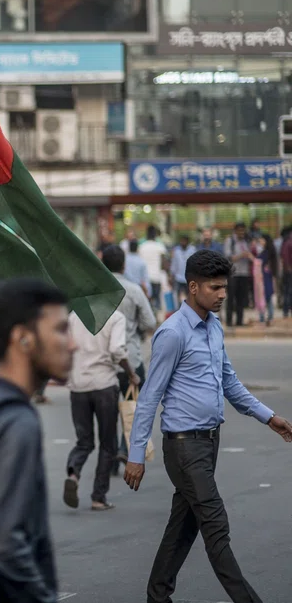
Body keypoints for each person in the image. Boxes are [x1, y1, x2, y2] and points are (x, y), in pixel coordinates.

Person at [125, 250, 292, 603]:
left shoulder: (214, 327)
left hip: (208, 443)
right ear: (193, 286)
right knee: (215, 524)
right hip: (184, 446)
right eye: (215, 288)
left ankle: (158, 594)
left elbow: (229, 383)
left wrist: (269, 417)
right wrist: (135, 454)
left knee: (183, 527)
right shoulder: (172, 333)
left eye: (224, 288)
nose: (222, 295)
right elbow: (150, 397)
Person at [0, 279, 74, 601]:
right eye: (62, 329)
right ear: (23, 339)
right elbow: (3, 543)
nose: (74, 344)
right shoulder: (16, 421)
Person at [64, 295, 137, 512]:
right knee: (108, 443)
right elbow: (117, 350)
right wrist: (131, 373)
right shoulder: (115, 317)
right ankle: (98, 497)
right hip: (104, 385)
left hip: (78, 386)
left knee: (84, 441)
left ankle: (73, 474)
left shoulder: (74, 316)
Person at [101, 246, 156, 469]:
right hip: (131, 359)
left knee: (109, 414)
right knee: (132, 407)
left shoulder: (97, 291)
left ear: (102, 263)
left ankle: (110, 460)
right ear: (124, 265)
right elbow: (150, 322)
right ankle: (125, 449)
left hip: (104, 363)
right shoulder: (134, 290)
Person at [224, 222, 254, 328]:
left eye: (243, 230)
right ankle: (228, 321)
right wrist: (241, 255)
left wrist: (250, 256)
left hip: (244, 273)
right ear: (235, 231)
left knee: (241, 298)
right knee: (231, 298)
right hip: (233, 273)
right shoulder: (230, 241)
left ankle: (239, 321)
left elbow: (250, 254)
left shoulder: (247, 241)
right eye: (240, 230)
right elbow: (228, 257)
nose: (242, 233)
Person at [139, 225, 169, 309]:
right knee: (157, 300)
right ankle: (156, 318)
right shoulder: (159, 246)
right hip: (156, 277)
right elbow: (164, 263)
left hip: (145, 279)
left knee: (147, 301)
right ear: (155, 234)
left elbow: (140, 263)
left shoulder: (142, 247)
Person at [252, 234, 276, 326]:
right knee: (267, 297)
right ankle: (269, 317)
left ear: (266, 241)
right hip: (266, 278)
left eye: (262, 240)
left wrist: (251, 256)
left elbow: (258, 261)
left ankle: (265, 317)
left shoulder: (266, 253)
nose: (260, 242)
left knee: (263, 297)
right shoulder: (269, 252)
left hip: (264, 278)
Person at [169, 234, 196, 308]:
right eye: (181, 241)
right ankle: (179, 310)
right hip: (178, 277)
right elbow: (174, 263)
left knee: (190, 296)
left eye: (184, 241)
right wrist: (171, 276)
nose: (182, 242)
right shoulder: (176, 250)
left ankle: (189, 309)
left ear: (187, 241)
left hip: (188, 278)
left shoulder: (192, 250)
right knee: (177, 297)